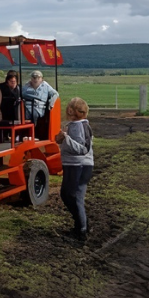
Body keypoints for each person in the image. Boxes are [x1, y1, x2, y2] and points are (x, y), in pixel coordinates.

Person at [55, 97, 94, 242]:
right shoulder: (74, 125)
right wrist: (61, 139)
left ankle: (81, 229)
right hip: (75, 165)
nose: (67, 110)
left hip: (79, 166)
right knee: (69, 195)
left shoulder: (80, 126)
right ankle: (81, 225)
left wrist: (66, 138)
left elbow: (83, 148)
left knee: (72, 196)